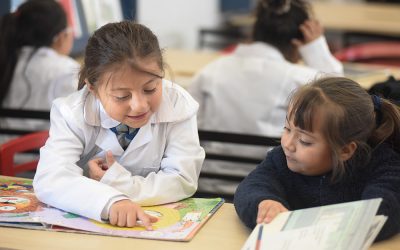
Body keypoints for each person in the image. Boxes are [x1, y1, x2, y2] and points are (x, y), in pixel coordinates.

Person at [33, 21, 205, 229]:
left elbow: (182, 180)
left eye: (150, 89)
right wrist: (110, 201)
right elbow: (51, 178)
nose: (139, 105)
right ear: (92, 88)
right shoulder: (72, 112)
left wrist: (118, 183)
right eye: (122, 96)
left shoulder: (178, 104)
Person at [188, 0, 343, 196]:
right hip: (270, 192)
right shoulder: (300, 80)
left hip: (208, 188)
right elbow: (341, 103)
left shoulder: (209, 72)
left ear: (254, 32)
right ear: (298, 43)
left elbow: (191, 128)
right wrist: (316, 49)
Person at [234, 76, 400, 241]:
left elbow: (383, 211)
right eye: (287, 129)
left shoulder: (383, 165)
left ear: (345, 150)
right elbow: (251, 187)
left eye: (305, 141)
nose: (288, 144)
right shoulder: (281, 159)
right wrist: (264, 203)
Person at [0, 0, 79, 137]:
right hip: (48, 157)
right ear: (60, 37)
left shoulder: (6, 62)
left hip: (6, 155)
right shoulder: (67, 70)